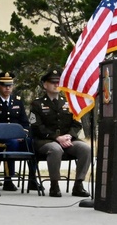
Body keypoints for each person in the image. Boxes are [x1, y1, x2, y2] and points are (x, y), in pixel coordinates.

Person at [29, 68, 91, 198]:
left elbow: (76, 123)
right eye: (53, 82)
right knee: (55, 149)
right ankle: (54, 185)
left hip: (67, 140)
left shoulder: (68, 103)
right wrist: (57, 138)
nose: (57, 85)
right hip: (45, 141)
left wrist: (69, 136)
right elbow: (37, 127)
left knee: (85, 148)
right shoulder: (37, 104)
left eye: (59, 82)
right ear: (45, 85)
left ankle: (78, 184)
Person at [0, 71, 31, 191]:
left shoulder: (18, 101)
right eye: (4, 85)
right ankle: (8, 180)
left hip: (18, 138)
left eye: (10, 85)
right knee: (12, 143)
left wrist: (23, 134)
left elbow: (25, 122)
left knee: (31, 142)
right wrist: (10, 135)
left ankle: (32, 179)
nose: (7, 87)